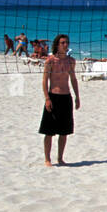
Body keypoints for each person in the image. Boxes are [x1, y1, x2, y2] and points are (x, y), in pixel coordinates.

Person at [39, 34, 81, 166]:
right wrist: (47, 98)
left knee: (64, 132)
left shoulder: (71, 61)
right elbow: (45, 81)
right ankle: (47, 159)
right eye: (62, 42)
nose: (65, 45)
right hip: (53, 96)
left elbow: (73, 80)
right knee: (49, 132)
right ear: (57, 44)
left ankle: (60, 158)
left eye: (67, 42)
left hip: (66, 97)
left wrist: (77, 97)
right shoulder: (50, 61)